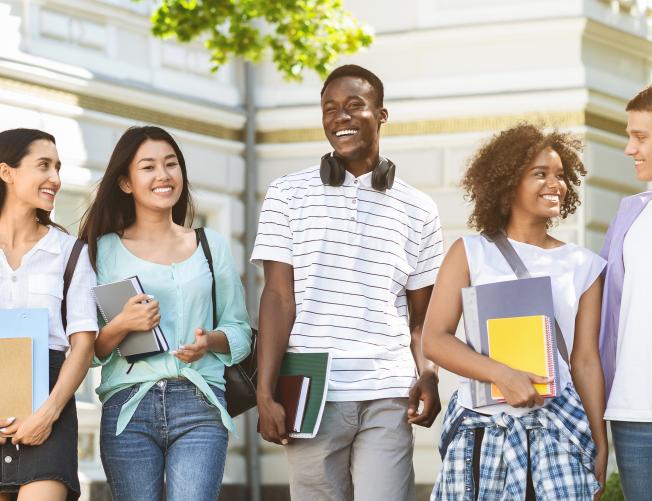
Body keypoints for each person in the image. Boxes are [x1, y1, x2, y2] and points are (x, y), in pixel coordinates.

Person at [252, 64, 443, 501]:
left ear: (381, 114)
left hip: (389, 391)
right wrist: (265, 392)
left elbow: (422, 319)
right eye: (330, 108)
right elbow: (278, 299)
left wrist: (429, 375)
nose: (340, 117)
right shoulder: (287, 193)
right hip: (312, 390)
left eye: (354, 106)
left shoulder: (418, 208)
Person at [422, 124, 607, 500]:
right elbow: (434, 339)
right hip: (482, 429)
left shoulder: (584, 265)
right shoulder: (471, 252)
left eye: (560, 175)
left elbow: (585, 361)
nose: (555, 184)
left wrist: (600, 443)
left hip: (557, 431)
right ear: (508, 184)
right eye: (540, 174)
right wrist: (501, 374)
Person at [78, 125, 251, 501]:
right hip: (128, 406)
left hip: (200, 401)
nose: (163, 175)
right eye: (149, 167)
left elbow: (239, 331)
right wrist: (122, 324)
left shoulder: (210, 245)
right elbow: (87, 351)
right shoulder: (101, 250)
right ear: (125, 183)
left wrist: (210, 342)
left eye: (171, 164)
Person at [0, 128, 97, 501]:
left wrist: (48, 413)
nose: (55, 178)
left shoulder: (70, 252)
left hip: (51, 407)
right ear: (7, 172)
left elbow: (84, 344)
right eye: (43, 165)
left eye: (58, 167)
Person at [600, 85, 652, 500]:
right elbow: (605, 314)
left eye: (641, 137)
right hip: (633, 411)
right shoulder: (629, 214)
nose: (628, 149)